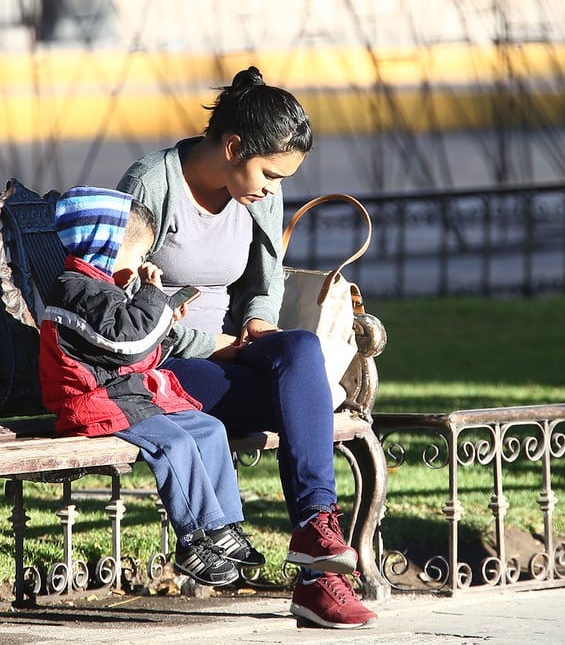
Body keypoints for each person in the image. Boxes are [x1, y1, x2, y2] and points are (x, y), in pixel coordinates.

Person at [116, 66, 378, 629]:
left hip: (235, 349)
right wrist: (206, 341)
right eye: (268, 172)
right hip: (165, 364)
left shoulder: (256, 194)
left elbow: (267, 279)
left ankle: (315, 531)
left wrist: (258, 321)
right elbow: (118, 297)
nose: (272, 187)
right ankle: (320, 582)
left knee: (302, 351)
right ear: (233, 146)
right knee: (301, 400)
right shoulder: (152, 184)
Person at [39, 185, 266, 587]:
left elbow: (135, 348)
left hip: (124, 395)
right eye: (139, 254)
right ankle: (192, 539)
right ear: (106, 248)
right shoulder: (78, 292)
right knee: (173, 443)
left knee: (209, 428)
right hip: (92, 401)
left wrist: (163, 316)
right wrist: (152, 299)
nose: (143, 263)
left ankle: (221, 528)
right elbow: (127, 343)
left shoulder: (102, 290)